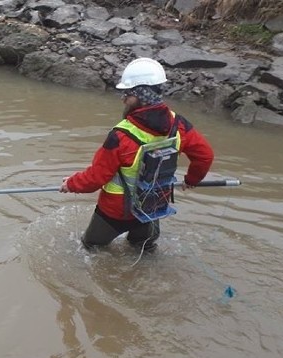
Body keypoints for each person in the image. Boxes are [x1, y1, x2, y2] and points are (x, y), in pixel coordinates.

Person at [60, 57, 214, 252]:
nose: (123, 98)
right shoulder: (179, 125)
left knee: (90, 248)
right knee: (144, 249)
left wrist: (71, 184)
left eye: (127, 93)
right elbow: (205, 156)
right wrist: (192, 179)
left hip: (115, 212)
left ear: (142, 95)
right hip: (153, 207)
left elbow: (96, 178)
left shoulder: (121, 136)